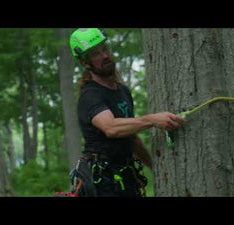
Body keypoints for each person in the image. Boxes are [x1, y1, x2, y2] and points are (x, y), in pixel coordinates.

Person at [69, 28, 185, 197]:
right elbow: (111, 127)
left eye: (105, 49)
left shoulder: (122, 91)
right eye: (96, 53)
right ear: (85, 63)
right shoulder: (90, 95)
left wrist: (154, 167)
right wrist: (152, 120)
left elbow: (131, 138)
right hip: (103, 184)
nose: (105, 55)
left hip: (126, 178)